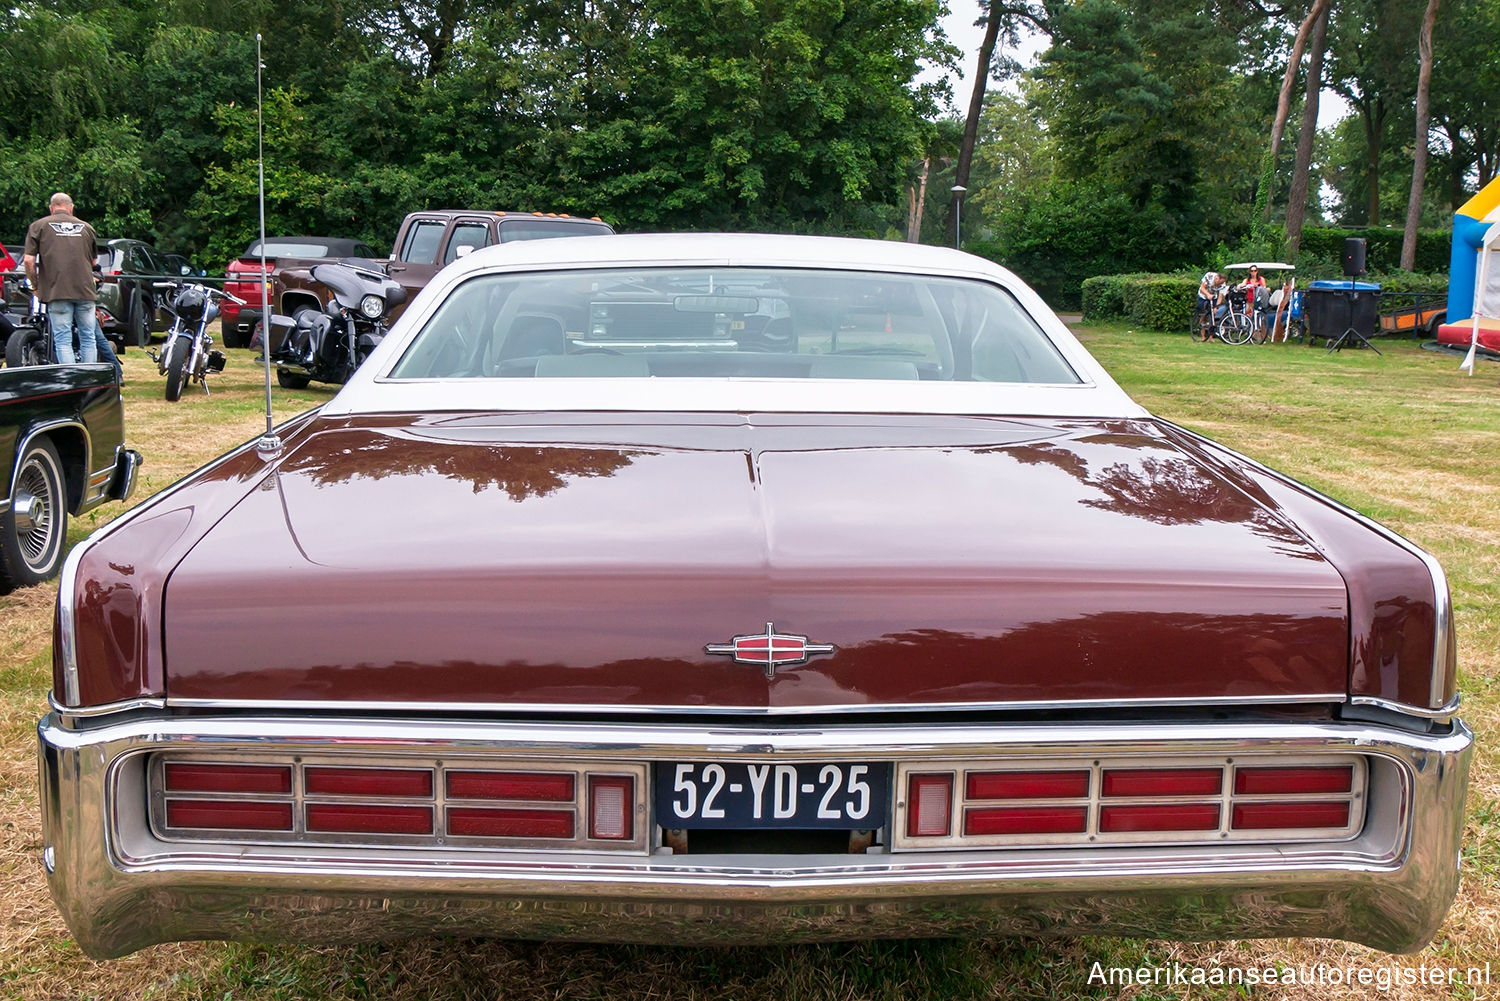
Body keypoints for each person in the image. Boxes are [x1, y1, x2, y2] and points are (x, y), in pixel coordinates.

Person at [23, 192, 99, 365]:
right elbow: (94, 261)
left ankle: (70, 382)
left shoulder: (38, 226)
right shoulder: (87, 227)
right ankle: (89, 381)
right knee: (88, 337)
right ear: (71, 208)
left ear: (51, 208)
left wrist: (35, 285)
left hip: (57, 290)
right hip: (86, 290)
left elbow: (28, 260)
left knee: (63, 339)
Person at [1197, 271, 1227, 341]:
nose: (1220, 285)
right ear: (1216, 278)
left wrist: (1216, 307)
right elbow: (1202, 288)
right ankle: (1203, 335)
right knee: (1203, 314)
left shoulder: (1223, 284)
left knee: (1212, 316)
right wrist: (1208, 294)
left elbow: (1220, 296)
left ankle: (1211, 336)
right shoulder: (1209, 276)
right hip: (1203, 296)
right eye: (1219, 283)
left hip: (1214, 297)